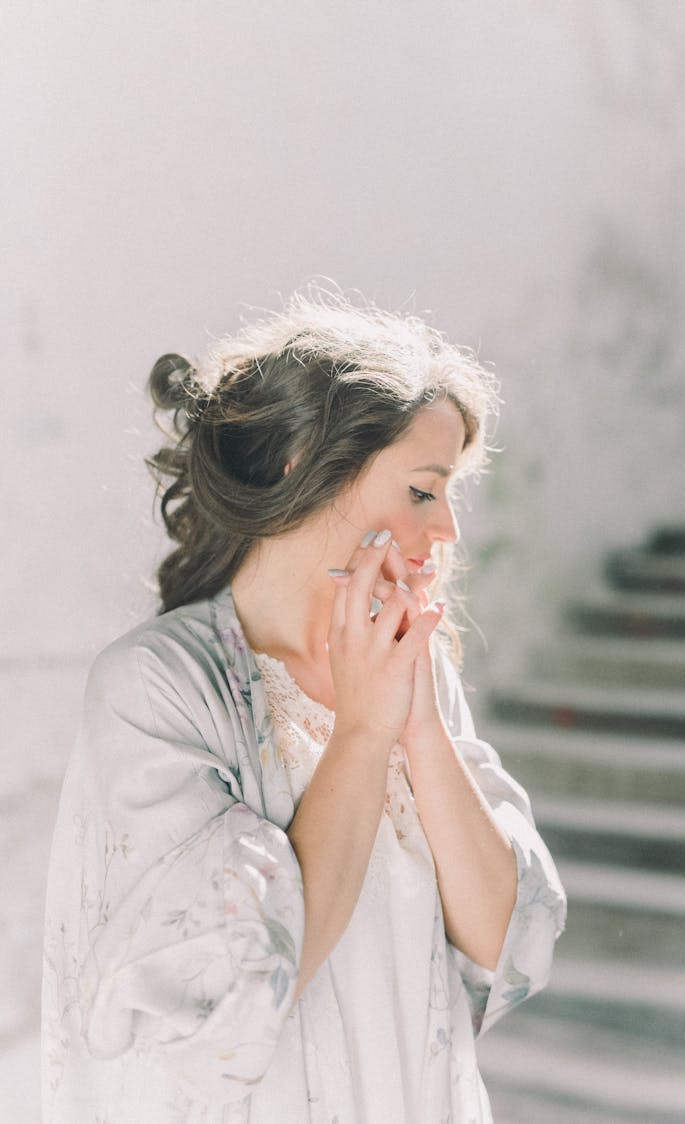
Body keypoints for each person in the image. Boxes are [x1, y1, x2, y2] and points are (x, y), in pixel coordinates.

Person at [42, 290, 567, 1123]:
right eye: (425, 492)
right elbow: (240, 983)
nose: (449, 533)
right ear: (302, 469)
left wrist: (421, 729)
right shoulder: (157, 685)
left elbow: (506, 943)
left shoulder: (413, 670)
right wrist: (362, 732)